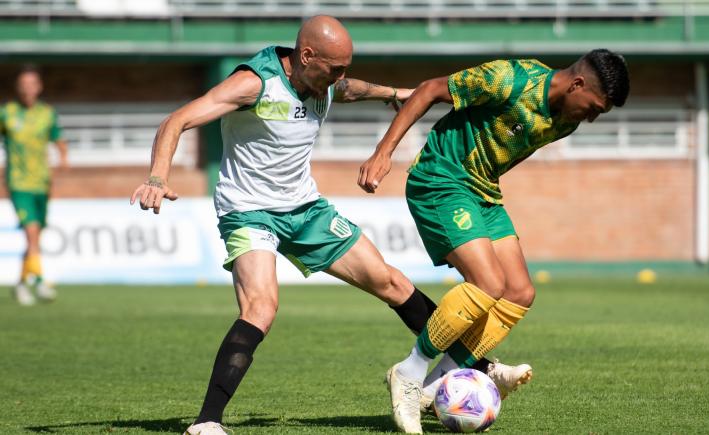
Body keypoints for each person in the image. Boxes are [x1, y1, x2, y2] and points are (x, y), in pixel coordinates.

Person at [129, 15, 447, 435]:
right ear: (307, 55)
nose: (340, 76)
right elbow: (176, 121)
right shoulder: (253, 83)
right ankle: (206, 423)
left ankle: (479, 364)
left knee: (390, 281)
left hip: (305, 209)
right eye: (334, 68)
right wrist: (157, 176)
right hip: (249, 211)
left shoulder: (325, 79)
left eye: (345, 67)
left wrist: (394, 93)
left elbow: (350, 89)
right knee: (261, 307)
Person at [358, 49, 630, 433]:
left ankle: (436, 387)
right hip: (441, 179)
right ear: (578, 83)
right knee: (488, 284)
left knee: (519, 292)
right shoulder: (511, 79)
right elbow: (431, 89)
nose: (593, 116)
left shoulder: (566, 121)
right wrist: (383, 154)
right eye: (595, 107)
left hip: (483, 191)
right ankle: (409, 372)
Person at [1, 65, 68, 306]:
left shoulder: (47, 114)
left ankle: (20, 284)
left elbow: (58, 139)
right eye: (23, 84)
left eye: (32, 84)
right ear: (18, 87)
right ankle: (39, 281)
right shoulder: (7, 113)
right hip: (18, 183)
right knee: (31, 232)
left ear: (39, 87)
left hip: (42, 183)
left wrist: (63, 159)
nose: (28, 88)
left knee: (34, 239)